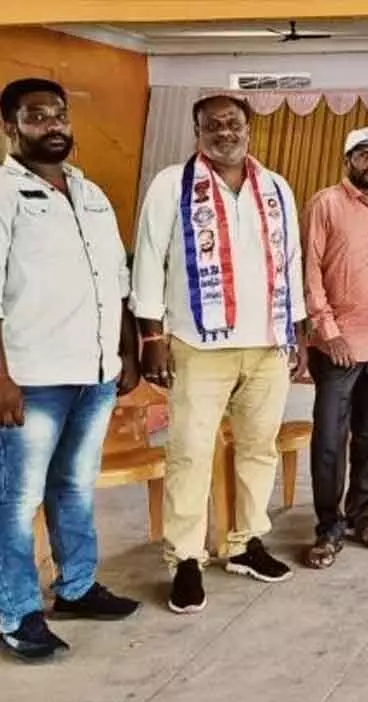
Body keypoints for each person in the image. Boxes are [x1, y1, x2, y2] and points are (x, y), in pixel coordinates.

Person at [131, 95, 307, 614]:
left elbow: (289, 262)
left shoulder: (275, 187)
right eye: (212, 125)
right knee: (190, 450)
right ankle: (185, 557)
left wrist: (294, 332)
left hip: (267, 344)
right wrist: (150, 337)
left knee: (258, 447)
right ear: (197, 131)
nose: (224, 132)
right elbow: (148, 259)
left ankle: (245, 543)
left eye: (233, 123)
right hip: (198, 344)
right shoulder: (171, 185)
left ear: (249, 129)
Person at [0, 78, 141, 661]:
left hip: (95, 371)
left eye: (59, 114)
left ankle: (77, 587)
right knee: (16, 500)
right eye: (37, 116)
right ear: (11, 127)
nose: (54, 125)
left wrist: (128, 351)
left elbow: (116, 277)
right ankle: (16, 611)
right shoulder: (4, 192)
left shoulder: (88, 190)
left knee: (75, 487)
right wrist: (2, 378)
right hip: (31, 376)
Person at [299, 127, 368, 569]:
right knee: (330, 440)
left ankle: (361, 516)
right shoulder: (326, 204)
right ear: (347, 160)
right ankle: (327, 527)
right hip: (338, 346)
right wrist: (327, 330)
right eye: (363, 155)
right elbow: (310, 270)